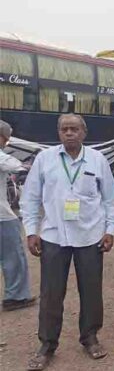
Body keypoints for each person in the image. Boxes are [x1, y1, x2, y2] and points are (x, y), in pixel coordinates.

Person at [20, 114, 114, 371]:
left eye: (74, 129)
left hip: (90, 237)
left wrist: (110, 230)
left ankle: (90, 337)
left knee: (91, 290)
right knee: (51, 293)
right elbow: (30, 198)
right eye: (64, 129)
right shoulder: (45, 159)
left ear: (84, 132)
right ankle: (47, 345)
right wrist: (32, 231)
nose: (69, 133)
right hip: (53, 236)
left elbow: (110, 200)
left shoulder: (97, 160)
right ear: (59, 133)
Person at [0, 120, 36, 312]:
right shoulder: (2, 156)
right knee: (13, 257)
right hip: (2, 217)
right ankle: (16, 296)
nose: (6, 143)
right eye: (5, 139)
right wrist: (29, 166)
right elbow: (15, 166)